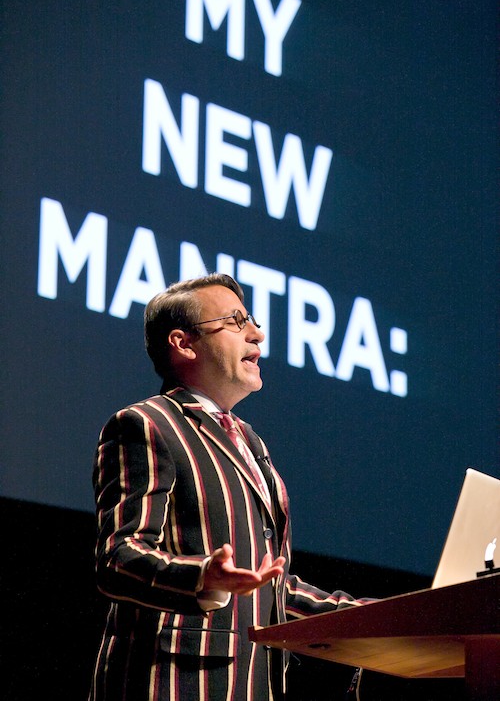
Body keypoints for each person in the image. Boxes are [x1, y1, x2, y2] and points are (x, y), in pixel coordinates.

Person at [90, 273, 368, 701]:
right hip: (174, 682)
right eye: (236, 322)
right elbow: (120, 556)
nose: (257, 333)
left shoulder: (250, 440)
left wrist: (370, 618)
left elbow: (267, 583)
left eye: (252, 320)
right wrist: (203, 577)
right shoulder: (147, 424)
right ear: (183, 343)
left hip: (254, 684)